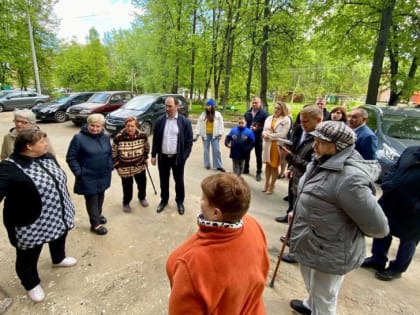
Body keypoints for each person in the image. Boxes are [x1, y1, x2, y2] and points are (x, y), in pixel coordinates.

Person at [288, 121, 389, 315]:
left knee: (325, 297)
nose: (315, 146)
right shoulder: (321, 159)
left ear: (339, 146)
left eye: (321, 142)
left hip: (330, 248)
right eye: (315, 140)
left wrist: (343, 232)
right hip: (312, 241)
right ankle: (311, 305)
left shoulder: (349, 179)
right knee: (315, 287)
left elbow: (379, 226)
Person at [166, 173, 269, 315]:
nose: (199, 201)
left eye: (203, 199)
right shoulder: (253, 225)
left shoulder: (191, 262)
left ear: (216, 213)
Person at [0, 128, 76, 302]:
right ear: (29, 146)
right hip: (31, 222)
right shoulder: (8, 167)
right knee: (28, 255)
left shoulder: (47, 157)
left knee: (59, 237)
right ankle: (31, 283)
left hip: (58, 213)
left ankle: (58, 259)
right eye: (42, 142)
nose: (46, 145)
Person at [362, 146, 420, 281]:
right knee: (382, 230)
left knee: (408, 240)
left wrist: (415, 205)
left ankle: (397, 269)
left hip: (413, 212)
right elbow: (395, 167)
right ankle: (377, 259)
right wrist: (388, 182)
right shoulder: (411, 151)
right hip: (391, 200)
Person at [66, 114, 113, 235]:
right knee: (92, 200)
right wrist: (79, 172)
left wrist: (110, 166)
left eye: (98, 126)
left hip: (103, 174)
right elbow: (71, 157)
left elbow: (109, 154)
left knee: (100, 197)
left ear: (102, 126)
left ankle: (97, 215)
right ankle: (95, 225)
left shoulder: (106, 138)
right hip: (88, 176)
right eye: (92, 125)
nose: (95, 129)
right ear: (87, 125)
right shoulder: (78, 138)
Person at [275, 105, 322, 224]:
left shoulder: (320, 141)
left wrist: (289, 157)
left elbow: (312, 166)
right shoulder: (301, 130)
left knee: (299, 212)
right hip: (295, 174)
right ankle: (289, 218)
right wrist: (291, 167)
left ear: (318, 120)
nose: (302, 125)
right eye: (301, 121)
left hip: (306, 181)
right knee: (292, 200)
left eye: (306, 122)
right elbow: (297, 151)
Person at [151, 96, 193, 215]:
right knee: (163, 181)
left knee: (179, 181)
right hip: (163, 157)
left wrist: (184, 156)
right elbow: (156, 139)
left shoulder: (184, 122)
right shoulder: (160, 121)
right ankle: (164, 200)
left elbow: (189, 141)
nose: (167, 108)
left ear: (176, 106)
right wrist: (153, 155)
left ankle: (180, 202)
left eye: (170, 106)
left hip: (177, 158)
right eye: (166, 106)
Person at [112, 117, 150, 213]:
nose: (130, 128)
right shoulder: (118, 138)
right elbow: (113, 153)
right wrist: (117, 166)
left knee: (142, 184)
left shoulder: (143, 135)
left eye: (132, 126)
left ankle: (142, 198)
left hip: (139, 166)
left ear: (136, 126)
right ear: (125, 126)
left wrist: (145, 158)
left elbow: (146, 148)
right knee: (127, 187)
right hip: (125, 168)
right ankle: (126, 203)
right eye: (128, 126)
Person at [261, 101, 291, 194]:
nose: (276, 110)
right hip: (267, 144)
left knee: (274, 166)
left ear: (283, 110)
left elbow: (283, 134)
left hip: (276, 144)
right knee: (268, 165)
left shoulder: (286, 119)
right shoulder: (269, 118)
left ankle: (272, 185)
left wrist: (270, 136)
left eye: (279, 109)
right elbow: (265, 129)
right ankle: (266, 184)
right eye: (275, 108)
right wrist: (264, 134)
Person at [195, 98, 225, 172]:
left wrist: (220, 134)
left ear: (212, 106)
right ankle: (207, 164)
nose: (207, 107)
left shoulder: (218, 114)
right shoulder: (203, 114)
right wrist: (197, 134)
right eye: (206, 105)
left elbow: (221, 124)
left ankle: (218, 165)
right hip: (205, 135)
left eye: (209, 105)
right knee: (206, 150)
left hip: (215, 135)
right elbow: (199, 124)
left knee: (216, 150)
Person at [244, 97, 268, 181]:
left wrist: (257, 129)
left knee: (258, 156)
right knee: (246, 153)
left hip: (258, 138)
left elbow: (266, 127)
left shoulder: (264, 114)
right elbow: (245, 124)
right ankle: (246, 168)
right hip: (248, 138)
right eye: (253, 102)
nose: (254, 104)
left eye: (256, 103)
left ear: (260, 103)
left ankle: (258, 172)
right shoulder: (247, 113)